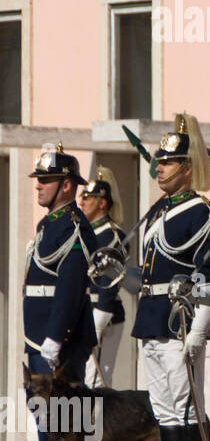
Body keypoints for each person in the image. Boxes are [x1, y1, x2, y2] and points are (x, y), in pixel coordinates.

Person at [128, 115, 210, 441]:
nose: (159, 168)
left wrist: (200, 330)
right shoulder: (156, 211)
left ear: (188, 167)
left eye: (168, 162)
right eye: (159, 161)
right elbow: (148, 275)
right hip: (151, 317)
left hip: (179, 322)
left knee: (185, 410)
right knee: (165, 412)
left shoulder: (204, 213)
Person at [18, 144, 95, 441]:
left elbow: (69, 287)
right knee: (47, 419)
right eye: (39, 180)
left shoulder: (74, 226)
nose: (39, 186)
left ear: (67, 186)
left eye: (46, 180)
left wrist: (54, 340)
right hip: (40, 339)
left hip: (56, 343)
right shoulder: (49, 225)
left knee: (63, 420)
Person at [79, 166, 126, 390]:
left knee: (96, 381)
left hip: (103, 315)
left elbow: (109, 285)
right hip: (84, 313)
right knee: (81, 380)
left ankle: (99, 426)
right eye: (83, 198)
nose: (83, 202)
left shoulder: (112, 236)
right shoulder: (85, 233)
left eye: (89, 199)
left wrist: (96, 326)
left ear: (102, 203)